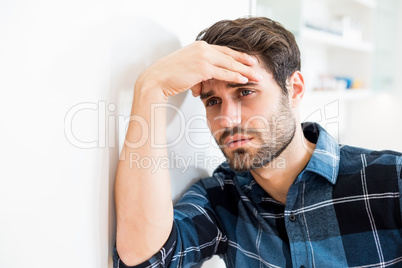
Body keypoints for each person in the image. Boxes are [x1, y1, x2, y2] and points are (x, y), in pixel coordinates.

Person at [113, 17, 402, 268]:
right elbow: (143, 259)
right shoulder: (222, 198)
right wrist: (151, 88)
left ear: (295, 90)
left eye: (245, 92)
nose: (226, 118)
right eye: (213, 101)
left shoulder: (392, 181)